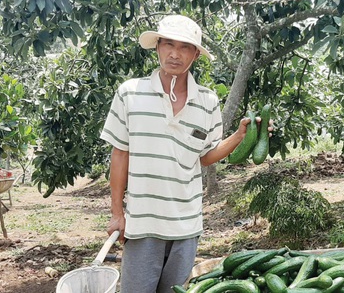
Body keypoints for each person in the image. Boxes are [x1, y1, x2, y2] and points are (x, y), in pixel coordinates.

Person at [100, 15, 271, 293]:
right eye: (168, 44)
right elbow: (120, 154)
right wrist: (117, 213)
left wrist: (241, 135)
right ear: (157, 47)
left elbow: (205, 156)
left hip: (186, 226)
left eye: (184, 47)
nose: (174, 54)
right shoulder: (130, 93)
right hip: (143, 223)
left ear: (195, 55)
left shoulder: (207, 101)